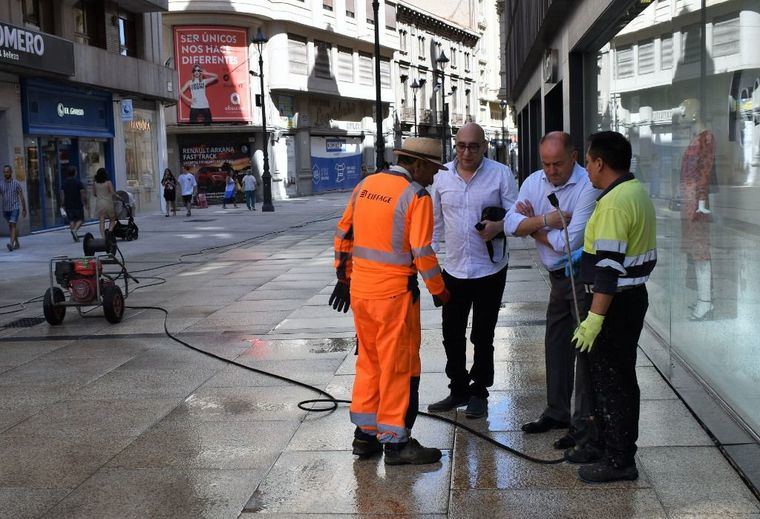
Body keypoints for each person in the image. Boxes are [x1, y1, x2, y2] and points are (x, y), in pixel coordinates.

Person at [331, 137, 451, 465]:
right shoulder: (416, 196)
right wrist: (439, 290)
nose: (434, 177)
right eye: (433, 170)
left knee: (369, 362)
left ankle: (365, 437)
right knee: (398, 366)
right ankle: (397, 443)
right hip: (394, 296)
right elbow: (422, 252)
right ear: (419, 164)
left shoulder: (366, 186)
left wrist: (344, 278)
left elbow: (343, 235)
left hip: (362, 294)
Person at [505, 132, 600, 451]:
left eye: (558, 163)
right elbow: (509, 223)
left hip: (580, 276)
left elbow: (566, 245)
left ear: (574, 157)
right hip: (556, 278)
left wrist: (532, 228)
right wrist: (546, 221)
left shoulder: (588, 186)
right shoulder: (534, 181)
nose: (551, 171)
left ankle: (583, 421)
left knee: (584, 347)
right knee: (556, 341)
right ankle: (557, 411)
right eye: (546, 163)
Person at [571, 131, 657, 483]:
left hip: (613, 304)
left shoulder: (614, 203)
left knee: (613, 383)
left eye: (588, 161)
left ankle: (620, 459)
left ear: (600, 162)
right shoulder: (634, 192)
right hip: (630, 299)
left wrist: (594, 318)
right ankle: (602, 443)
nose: (586, 168)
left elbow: (608, 271)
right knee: (611, 378)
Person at [428, 122, 518, 419]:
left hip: (490, 268)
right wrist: (430, 261)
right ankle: (458, 388)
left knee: (483, 334)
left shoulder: (500, 174)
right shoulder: (441, 176)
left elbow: (517, 217)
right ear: (455, 145)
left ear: (484, 146)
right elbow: (436, 222)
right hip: (453, 268)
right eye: (461, 145)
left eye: (473, 146)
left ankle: (479, 391)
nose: (466, 152)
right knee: (451, 333)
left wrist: (499, 226)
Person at [678, 98, 715, 320]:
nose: (681, 115)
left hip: (696, 204)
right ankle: (703, 298)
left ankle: (705, 302)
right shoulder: (695, 139)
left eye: (684, 111)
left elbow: (704, 172)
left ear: (694, 113)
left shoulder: (706, 139)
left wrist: (700, 203)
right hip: (689, 201)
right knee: (695, 251)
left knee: (701, 251)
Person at [1, 165, 26, 251]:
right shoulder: (1, 183)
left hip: (15, 207)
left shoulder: (16, 183)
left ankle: (11, 244)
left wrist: (24, 208)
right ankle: (17, 242)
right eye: (4, 172)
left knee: (12, 224)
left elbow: (22, 197)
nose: (5, 173)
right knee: (11, 226)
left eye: (7, 171)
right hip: (5, 209)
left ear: (11, 172)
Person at [60, 165, 88, 242]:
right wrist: (85, 203)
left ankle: (73, 232)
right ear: (75, 173)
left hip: (68, 204)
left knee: (72, 220)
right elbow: (83, 194)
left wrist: (62, 204)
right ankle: (75, 230)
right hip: (77, 203)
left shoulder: (64, 183)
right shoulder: (78, 183)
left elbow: (62, 195)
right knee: (81, 219)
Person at [93, 167, 116, 238]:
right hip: (108, 203)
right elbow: (112, 193)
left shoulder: (95, 183)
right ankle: (109, 232)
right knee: (112, 219)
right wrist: (118, 196)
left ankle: (103, 236)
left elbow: (94, 194)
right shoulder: (108, 183)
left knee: (101, 220)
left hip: (99, 203)